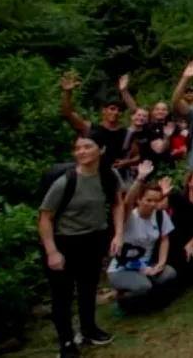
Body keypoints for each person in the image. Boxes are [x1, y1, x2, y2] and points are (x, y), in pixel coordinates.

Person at [39, 131, 125, 358]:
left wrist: (118, 234)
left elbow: (117, 204)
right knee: (63, 294)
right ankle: (66, 342)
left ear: (101, 149)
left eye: (87, 147)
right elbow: (45, 218)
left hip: (94, 238)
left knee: (88, 287)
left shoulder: (109, 175)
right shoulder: (65, 181)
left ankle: (89, 329)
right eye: (77, 148)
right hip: (64, 241)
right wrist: (52, 252)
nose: (82, 152)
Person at [107, 161, 178, 313]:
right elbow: (126, 203)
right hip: (123, 267)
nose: (152, 204)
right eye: (148, 200)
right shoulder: (129, 217)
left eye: (155, 201)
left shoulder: (159, 215)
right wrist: (139, 179)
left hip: (147, 265)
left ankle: (147, 299)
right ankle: (123, 299)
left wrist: (160, 263)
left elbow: (165, 239)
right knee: (144, 286)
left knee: (169, 273)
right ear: (139, 200)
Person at [159, 169, 193, 282]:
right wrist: (163, 194)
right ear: (189, 183)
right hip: (173, 239)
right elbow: (158, 207)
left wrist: (192, 243)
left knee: (189, 263)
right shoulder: (177, 197)